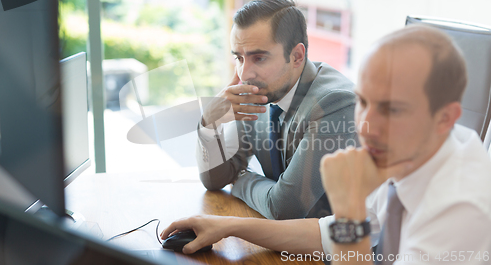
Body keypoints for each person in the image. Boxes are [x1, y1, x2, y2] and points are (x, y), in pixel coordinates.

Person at [163, 24, 491, 264]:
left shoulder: (461, 207)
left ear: (446, 118)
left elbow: (343, 229)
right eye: (364, 101)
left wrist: (349, 208)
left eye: (392, 109)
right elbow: (326, 235)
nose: (367, 125)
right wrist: (227, 226)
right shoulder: (413, 154)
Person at [197, 0, 357, 220]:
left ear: (296, 56)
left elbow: (284, 208)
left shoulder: (335, 103)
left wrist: (241, 180)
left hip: (337, 252)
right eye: (239, 58)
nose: (245, 74)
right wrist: (208, 124)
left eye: (259, 58)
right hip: (284, 246)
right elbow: (215, 180)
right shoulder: (258, 94)